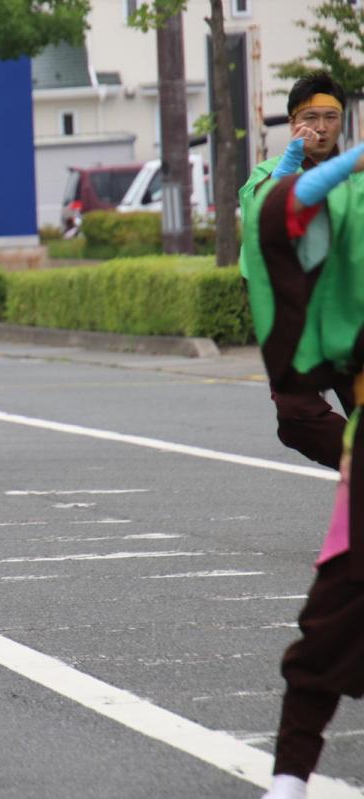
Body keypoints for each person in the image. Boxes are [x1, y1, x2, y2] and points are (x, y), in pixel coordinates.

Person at [242, 136, 364, 799]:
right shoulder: (348, 206)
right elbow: (283, 219)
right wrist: (339, 167)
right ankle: (289, 779)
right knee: (332, 619)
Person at [239, 72, 354, 469]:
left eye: (330, 116)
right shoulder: (267, 175)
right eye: (310, 117)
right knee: (296, 418)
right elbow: (261, 216)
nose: (321, 128)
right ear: (292, 122)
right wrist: (289, 161)